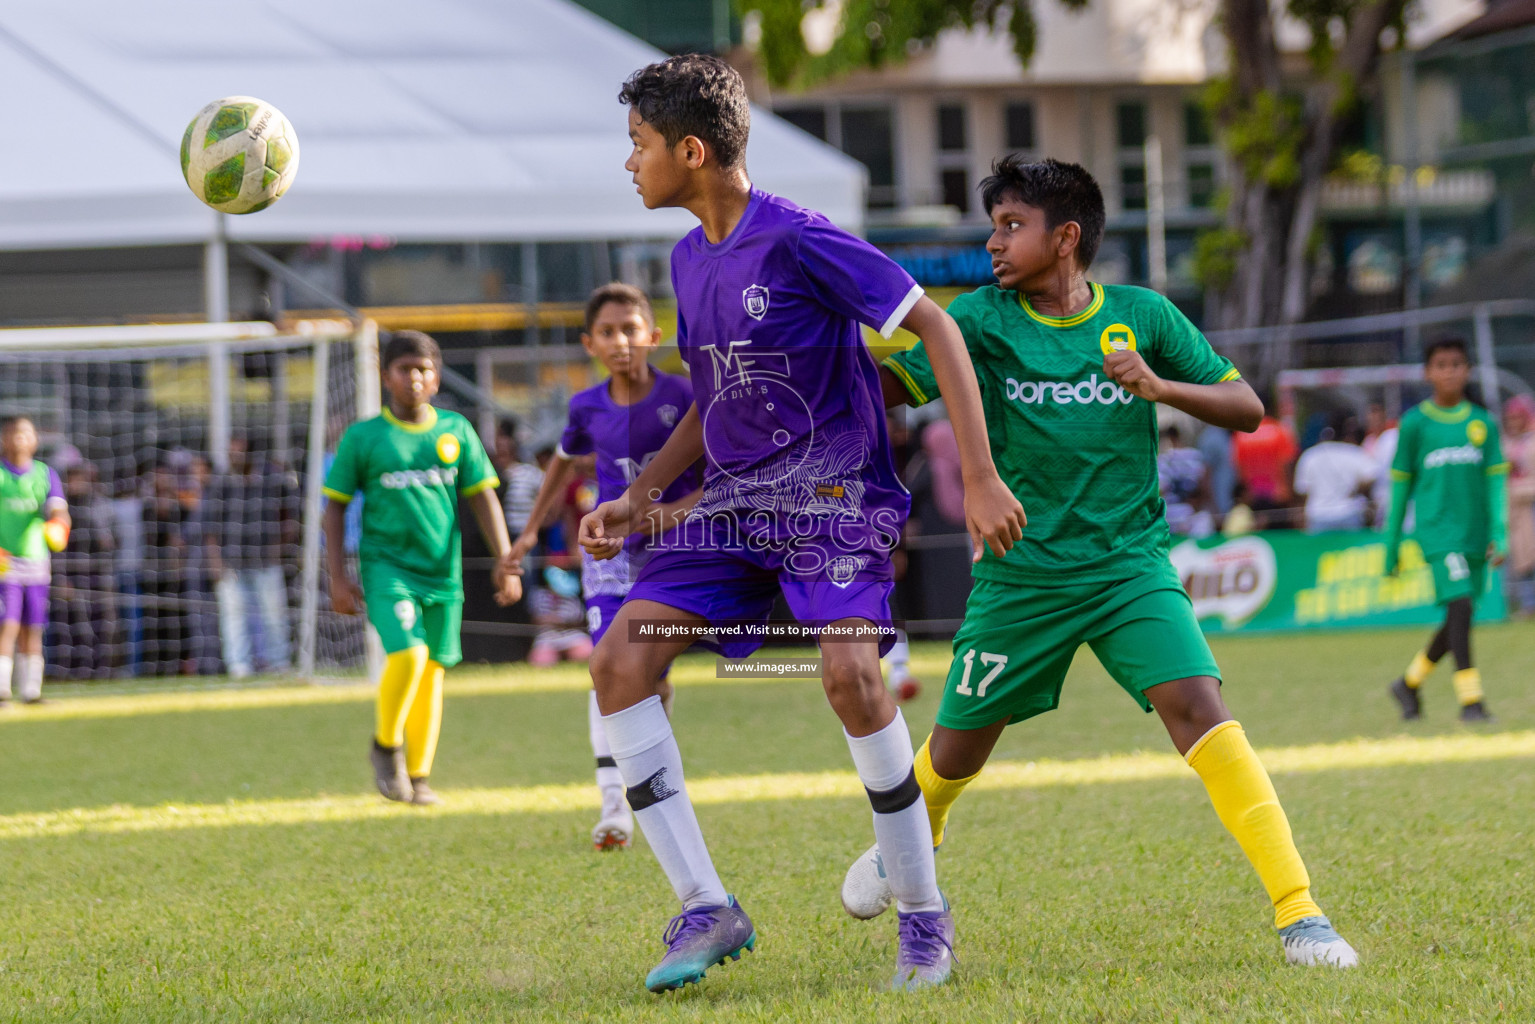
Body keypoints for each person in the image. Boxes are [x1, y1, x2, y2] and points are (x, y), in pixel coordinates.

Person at [577, 54, 1024, 994]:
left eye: (639, 146)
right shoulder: (686, 256)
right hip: (734, 513)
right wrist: (646, 495)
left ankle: (923, 918)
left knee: (851, 676)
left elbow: (935, 331)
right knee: (619, 661)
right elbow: (712, 394)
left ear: (690, 151)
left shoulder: (801, 239)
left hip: (831, 505)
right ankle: (706, 906)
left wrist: (976, 476)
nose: (630, 164)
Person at [844, 155, 1358, 969]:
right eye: (993, 225)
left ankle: (1301, 916)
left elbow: (1247, 407)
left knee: (1199, 706)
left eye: (1012, 225)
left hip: (1129, 568)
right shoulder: (978, 319)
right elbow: (892, 389)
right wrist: (821, 355)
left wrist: (1158, 387)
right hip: (1022, 576)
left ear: (1066, 237)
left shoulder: (1143, 317)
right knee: (955, 752)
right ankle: (909, 839)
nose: (994, 243)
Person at [507, 281, 700, 851]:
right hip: (609, 557)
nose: (621, 342)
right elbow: (562, 470)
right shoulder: (585, 407)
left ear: (653, 337)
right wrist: (527, 535)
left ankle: (650, 773)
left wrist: (665, 516)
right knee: (608, 667)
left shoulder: (685, 396)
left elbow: (717, 480)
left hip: (672, 553)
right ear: (589, 343)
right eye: (609, 333)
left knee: (650, 679)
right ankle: (614, 805)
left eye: (631, 331)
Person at [322, 330, 521, 806]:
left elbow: (482, 496)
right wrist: (337, 576)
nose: (414, 378)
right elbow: (333, 507)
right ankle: (385, 747)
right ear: (385, 377)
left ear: (436, 378)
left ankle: (420, 776)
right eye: (404, 369)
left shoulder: (455, 432)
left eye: (423, 369)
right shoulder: (364, 437)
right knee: (408, 656)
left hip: (443, 573)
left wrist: (506, 560)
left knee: (432, 672)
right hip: (387, 569)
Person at [1385, 337, 1507, 723]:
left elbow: (1495, 483)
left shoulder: (1482, 423)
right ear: (1428, 372)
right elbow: (1401, 487)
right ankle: (1471, 702)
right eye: (1441, 364)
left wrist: (1499, 532)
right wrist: (1392, 545)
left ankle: (1409, 683)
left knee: (1460, 614)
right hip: (1438, 533)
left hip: (1474, 533)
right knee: (1461, 606)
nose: (1449, 371)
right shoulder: (1415, 424)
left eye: (1457, 364)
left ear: (1467, 370)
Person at [206, 435, 297, 678]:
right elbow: (210, 528)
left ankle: (279, 663)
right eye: (230, 453)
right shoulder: (222, 482)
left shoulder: (273, 480)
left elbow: (291, 518)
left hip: (265, 561)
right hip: (232, 562)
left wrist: (279, 548)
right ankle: (239, 667)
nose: (233, 457)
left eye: (238, 453)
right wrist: (216, 563)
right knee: (234, 616)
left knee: (274, 615)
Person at [0, 417, 70, 703]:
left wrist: (59, 526)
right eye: (15, 433)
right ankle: (2, 688)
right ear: (4, 438)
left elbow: (59, 511)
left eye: (26, 433)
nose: (20, 439)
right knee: (8, 623)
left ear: (35, 440)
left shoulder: (45, 474)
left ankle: (32, 690)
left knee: (34, 625)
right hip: (5, 563)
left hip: (37, 561)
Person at [1293, 414, 1379, 532]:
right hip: (1349, 512)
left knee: (1321, 550)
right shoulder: (1353, 452)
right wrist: (1356, 490)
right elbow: (1372, 475)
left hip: (1318, 514)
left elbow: (1302, 489)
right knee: (1351, 550)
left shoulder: (1310, 455)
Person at [1501, 395, 1535, 616]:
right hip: (1514, 508)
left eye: (1518, 417)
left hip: (1530, 503)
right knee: (1520, 557)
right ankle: (1525, 605)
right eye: (1510, 417)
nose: (1514, 422)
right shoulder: (1506, 443)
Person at [1233, 407, 1299, 516]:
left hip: (1253, 495)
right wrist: (1291, 493)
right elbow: (1287, 463)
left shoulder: (1241, 434)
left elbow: (1238, 467)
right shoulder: (1279, 429)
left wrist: (1245, 493)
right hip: (1278, 494)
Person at [1158, 422, 1214, 536]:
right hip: (1192, 513)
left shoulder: (1163, 459)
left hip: (1169, 516)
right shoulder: (1194, 455)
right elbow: (1205, 485)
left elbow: (1160, 491)